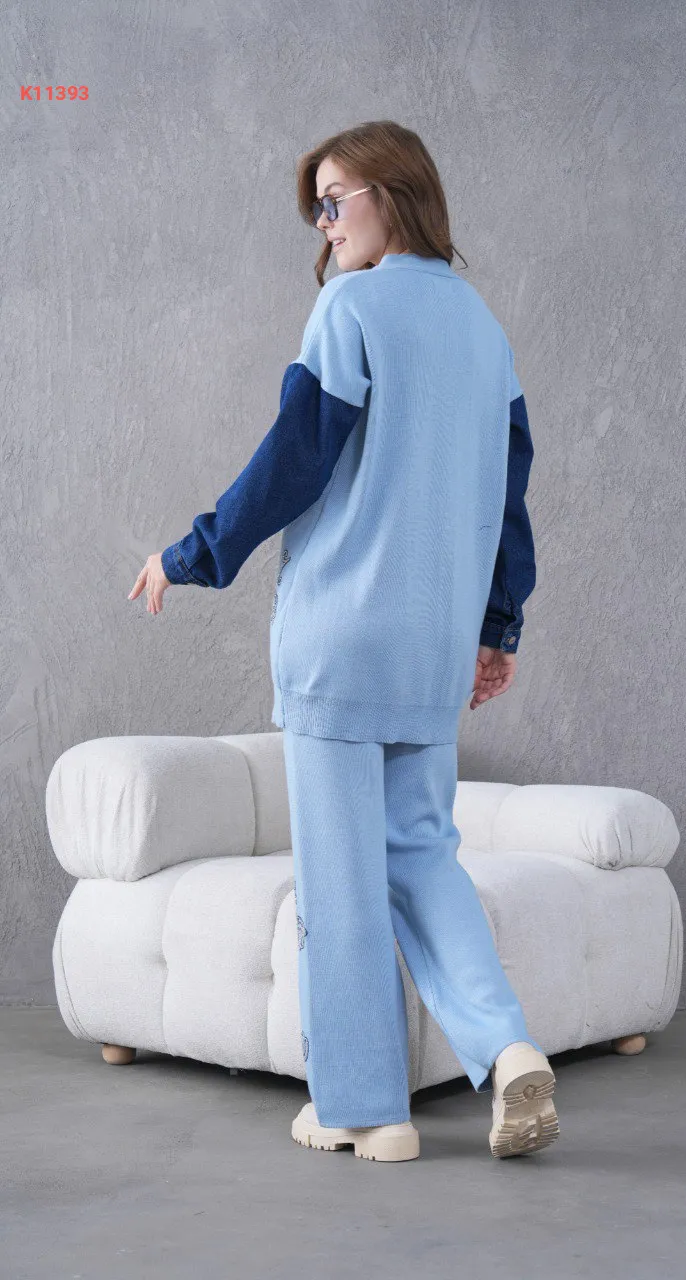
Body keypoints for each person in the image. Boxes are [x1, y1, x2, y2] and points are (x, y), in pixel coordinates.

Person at [127, 120, 559, 1162]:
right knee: (423, 854)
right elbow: (508, 492)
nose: (323, 225)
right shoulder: (482, 327)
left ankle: (366, 1109)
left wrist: (190, 554)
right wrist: (497, 624)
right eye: (315, 209)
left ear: (392, 193)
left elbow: (294, 458)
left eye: (334, 201)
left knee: (341, 879)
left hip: (340, 640)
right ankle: (506, 1046)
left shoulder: (349, 308)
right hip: (431, 647)